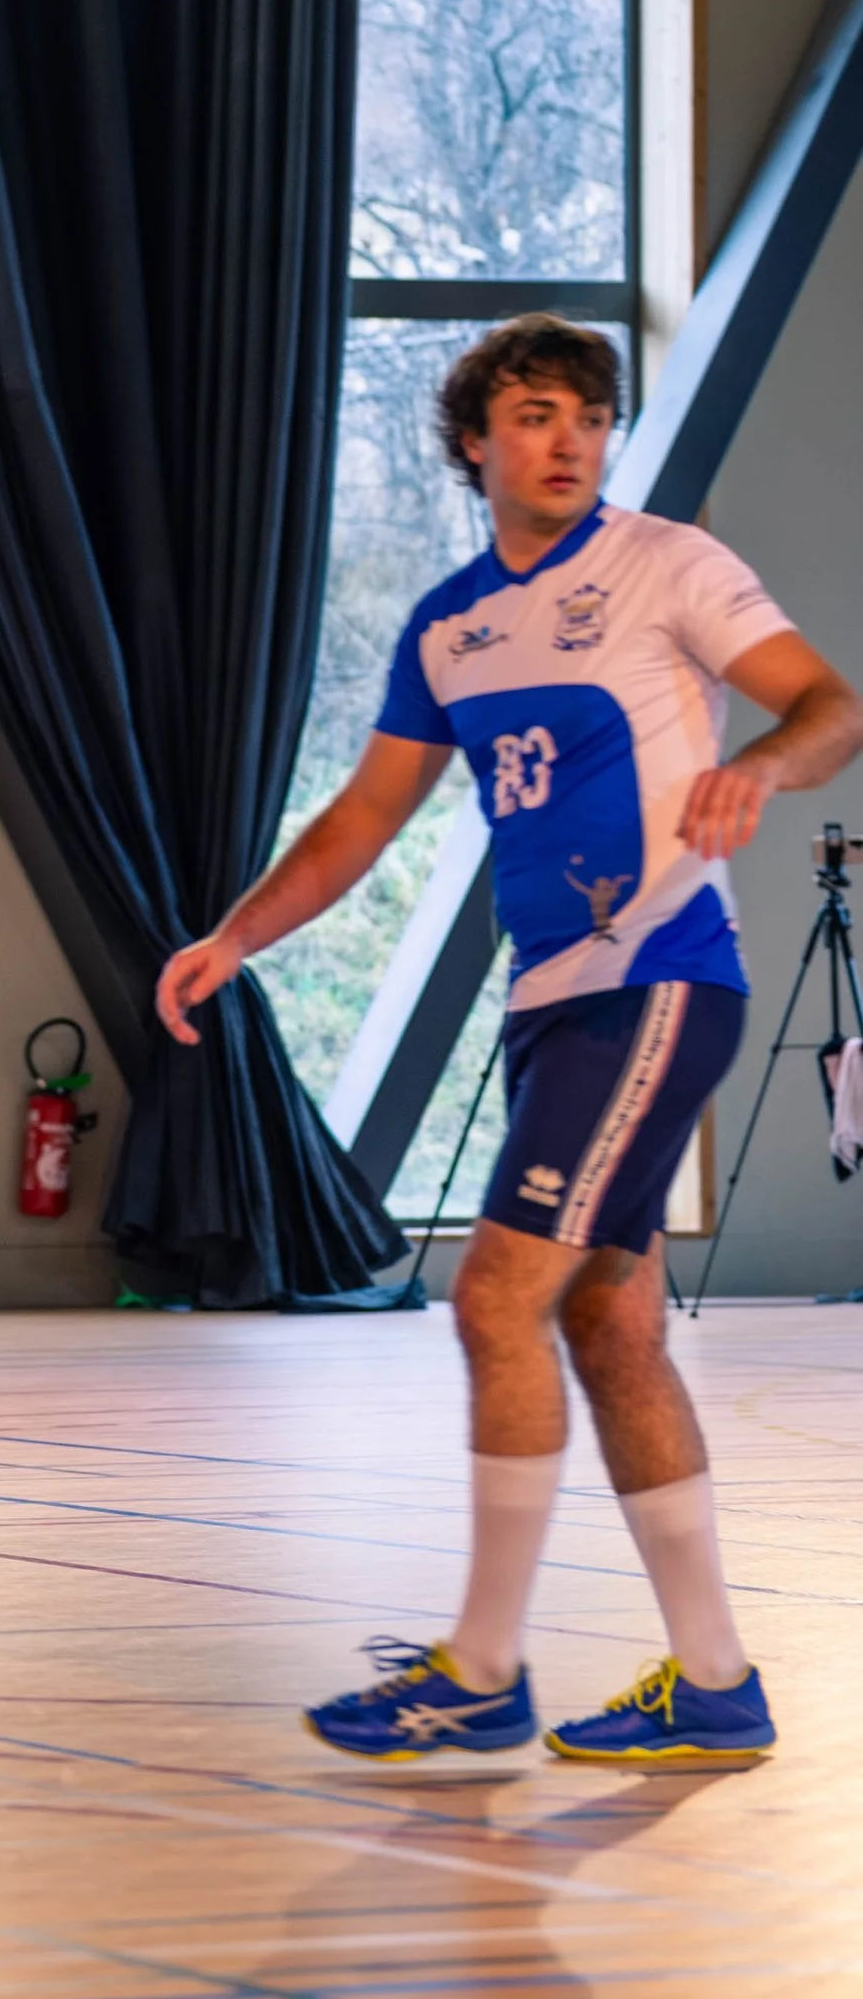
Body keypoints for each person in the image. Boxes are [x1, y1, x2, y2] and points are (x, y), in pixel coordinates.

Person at [157, 319, 862, 1768]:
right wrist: (234, 937)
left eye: (592, 419)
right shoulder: (449, 626)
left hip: (660, 979)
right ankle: (716, 1680)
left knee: (491, 1300)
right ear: (475, 438)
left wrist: (756, 769)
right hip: (553, 1005)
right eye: (539, 415)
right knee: (608, 1327)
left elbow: (830, 706)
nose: (570, 442)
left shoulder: (668, 565)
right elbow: (365, 818)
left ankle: (481, 1670)